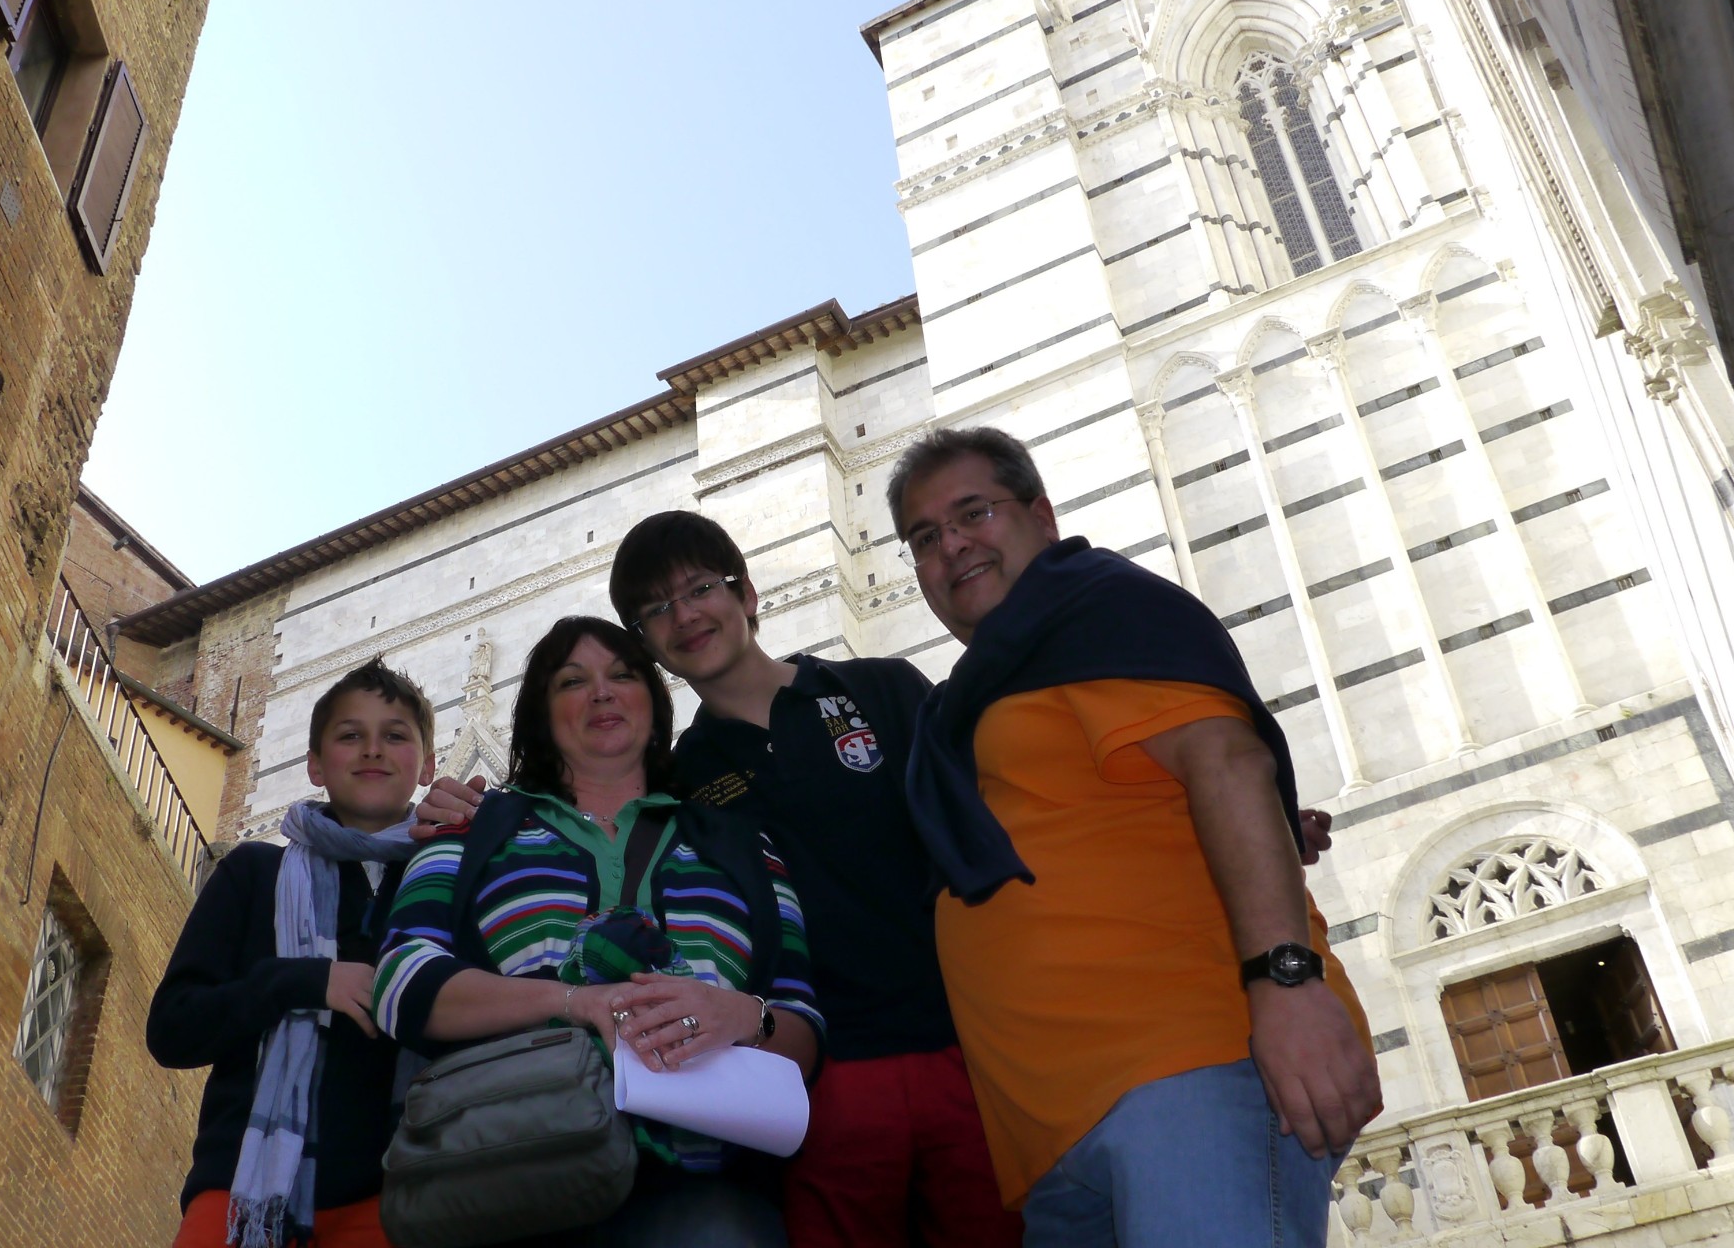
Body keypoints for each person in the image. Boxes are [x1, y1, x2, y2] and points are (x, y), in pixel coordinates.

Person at [419, 511, 1338, 1248]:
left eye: (701, 588)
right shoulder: (682, 777)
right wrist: (463, 810)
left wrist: (1202, 816)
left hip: (970, 1051)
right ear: (650, 646)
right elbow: (592, 819)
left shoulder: (882, 690)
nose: (686, 614)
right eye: (658, 608)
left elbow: (1010, 799)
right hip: (817, 1074)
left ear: (746, 594)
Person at [890, 426, 1379, 1248]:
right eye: (925, 537)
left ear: (1042, 515)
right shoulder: (974, 697)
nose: (952, 545)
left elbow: (1228, 764)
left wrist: (1288, 986)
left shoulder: (1098, 606)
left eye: (973, 513)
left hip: (1189, 1073)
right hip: (1058, 1137)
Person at [371, 615, 824, 1247]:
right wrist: (574, 1002)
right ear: (541, 715)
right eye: (572, 681)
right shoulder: (469, 827)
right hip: (509, 1171)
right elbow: (401, 982)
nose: (602, 693)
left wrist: (745, 1016)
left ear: (655, 705)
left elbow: (802, 1022)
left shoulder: (745, 845)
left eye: (623, 675)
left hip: (704, 1187)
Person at [147, 658, 434, 1248]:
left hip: (399, 1198)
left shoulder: (444, 881)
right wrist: (306, 982)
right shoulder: (254, 873)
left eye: (395, 735)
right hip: (242, 1195)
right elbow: (173, 1029)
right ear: (314, 764)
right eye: (350, 735)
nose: (372, 750)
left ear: (427, 765)